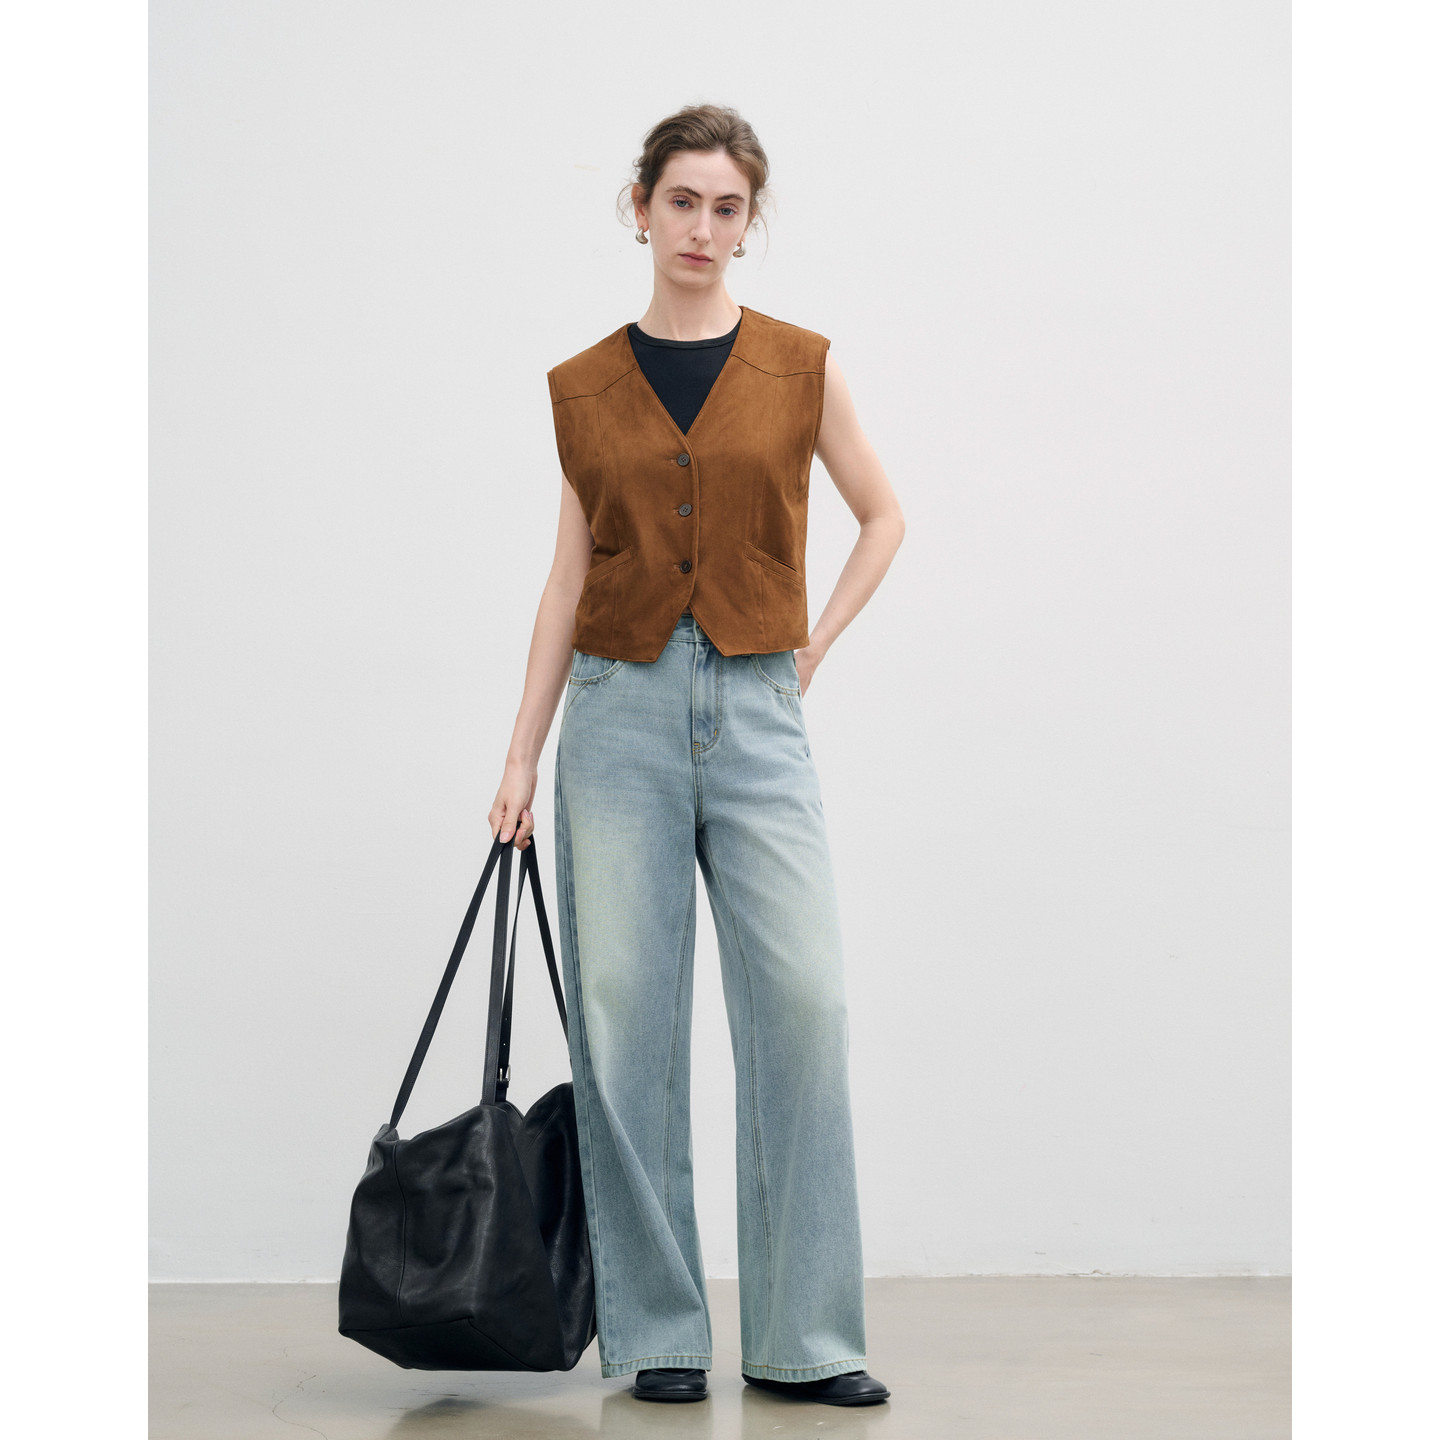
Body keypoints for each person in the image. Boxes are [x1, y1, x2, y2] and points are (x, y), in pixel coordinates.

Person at [489, 103, 905, 1407]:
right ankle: (661, 1334)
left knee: (804, 1007)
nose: (703, 228)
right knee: (626, 1021)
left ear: (748, 221)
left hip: (758, 713)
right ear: (641, 207)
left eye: (728, 208)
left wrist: (810, 649)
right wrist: (520, 757)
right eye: (682, 201)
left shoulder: (800, 367)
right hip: (615, 718)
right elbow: (567, 580)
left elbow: (884, 517)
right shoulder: (584, 388)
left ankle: (807, 1340)